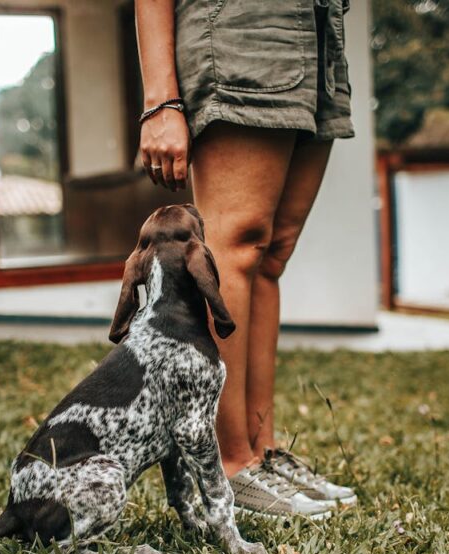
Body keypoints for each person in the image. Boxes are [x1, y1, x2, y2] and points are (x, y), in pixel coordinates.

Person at [135, 0, 357, 518]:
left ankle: (261, 453)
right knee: (235, 246)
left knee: (270, 253)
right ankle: (229, 465)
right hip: (240, 31)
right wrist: (160, 101)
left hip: (320, 31)